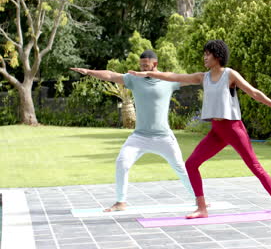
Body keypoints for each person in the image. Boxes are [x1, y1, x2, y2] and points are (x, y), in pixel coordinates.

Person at [129, 40, 271, 218]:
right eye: (204, 54)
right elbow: (175, 76)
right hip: (216, 130)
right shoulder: (204, 77)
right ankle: (202, 208)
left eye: (207, 54)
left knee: (254, 165)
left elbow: (254, 92)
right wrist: (148, 73)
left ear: (217, 56)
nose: (205, 57)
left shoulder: (230, 75)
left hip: (233, 128)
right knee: (191, 164)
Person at [70, 50, 194, 212]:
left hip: (163, 137)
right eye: (140, 65)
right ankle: (120, 202)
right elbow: (111, 75)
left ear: (154, 64)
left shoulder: (168, 80)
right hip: (140, 137)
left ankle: (198, 199)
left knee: (180, 168)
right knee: (122, 162)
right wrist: (88, 72)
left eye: (145, 65)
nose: (142, 68)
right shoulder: (134, 79)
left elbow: (192, 78)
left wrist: (216, 74)